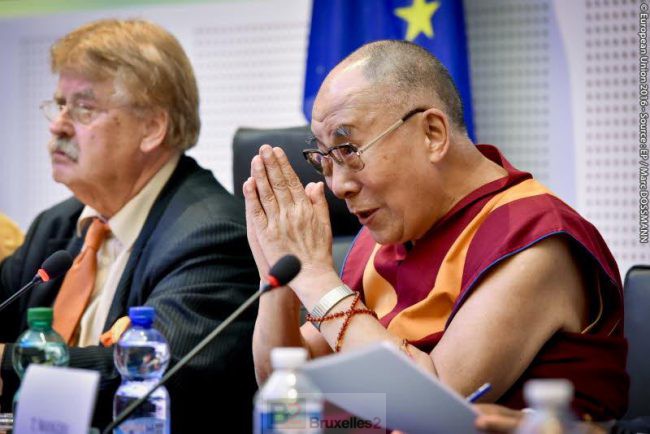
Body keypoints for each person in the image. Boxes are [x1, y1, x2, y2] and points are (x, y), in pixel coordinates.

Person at [245, 39, 628, 428]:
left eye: (349, 150)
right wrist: (279, 278)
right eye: (325, 161)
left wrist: (316, 279)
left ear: (432, 133)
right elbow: (288, 384)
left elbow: (431, 413)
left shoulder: (536, 239)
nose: (338, 185)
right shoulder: (384, 238)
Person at [0, 19, 259, 432]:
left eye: (83, 108)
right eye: (59, 104)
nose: (58, 125)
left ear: (152, 127)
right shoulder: (58, 226)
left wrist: (7, 364)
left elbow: (150, 375)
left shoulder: (212, 234)